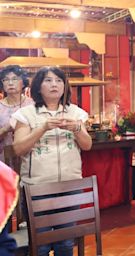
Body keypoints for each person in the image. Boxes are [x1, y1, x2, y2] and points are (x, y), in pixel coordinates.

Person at [12, 67, 92, 256]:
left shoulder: (76, 113)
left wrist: (77, 129)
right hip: (38, 187)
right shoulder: (26, 114)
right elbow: (19, 148)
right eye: (48, 80)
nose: (54, 84)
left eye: (58, 80)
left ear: (65, 86)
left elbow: (87, 145)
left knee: (65, 244)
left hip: (69, 186)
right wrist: (42, 128)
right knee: (41, 244)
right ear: (38, 87)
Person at [0, 65, 33, 164]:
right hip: (3, 159)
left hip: (29, 156)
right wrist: (5, 129)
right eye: (6, 80)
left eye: (15, 79)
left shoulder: (33, 105)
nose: (10, 83)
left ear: (23, 83)